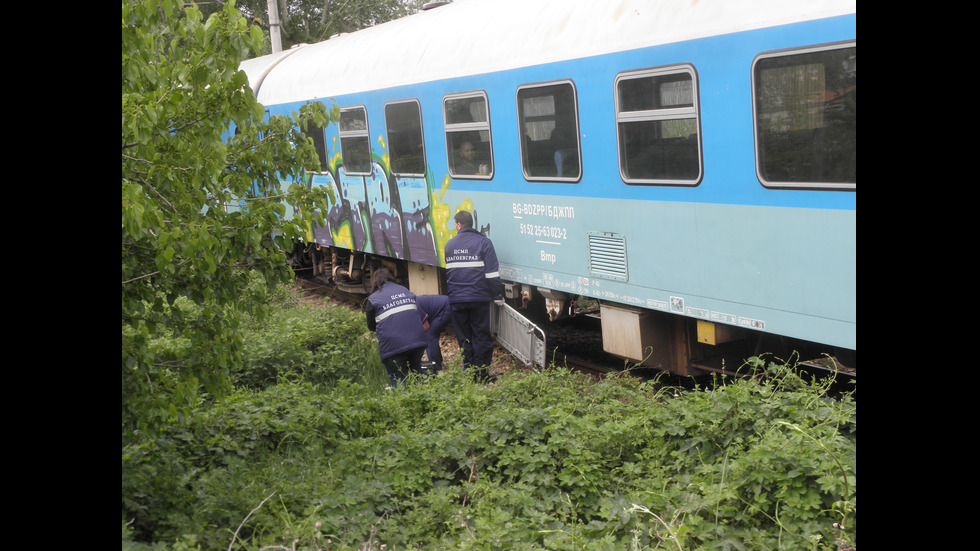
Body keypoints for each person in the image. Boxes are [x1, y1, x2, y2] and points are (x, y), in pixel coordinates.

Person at [444, 210, 505, 382]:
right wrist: (497, 295)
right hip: (478, 299)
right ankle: (482, 375)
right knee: (481, 336)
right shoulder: (484, 243)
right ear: (472, 224)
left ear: (458, 225)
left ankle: (469, 372)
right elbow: (492, 275)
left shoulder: (449, 245)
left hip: (456, 299)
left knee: (464, 337)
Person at [363, 268, 429, 387]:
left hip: (392, 346)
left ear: (374, 282)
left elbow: (372, 327)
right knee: (416, 371)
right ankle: (423, 401)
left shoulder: (373, 299)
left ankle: (401, 403)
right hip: (417, 343)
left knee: (397, 377)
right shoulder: (405, 291)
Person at [416, 294, 452, 371]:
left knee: (429, 336)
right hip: (443, 306)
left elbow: (425, 326)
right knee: (429, 335)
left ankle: (437, 369)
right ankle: (438, 362)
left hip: (446, 307)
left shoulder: (413, 306)